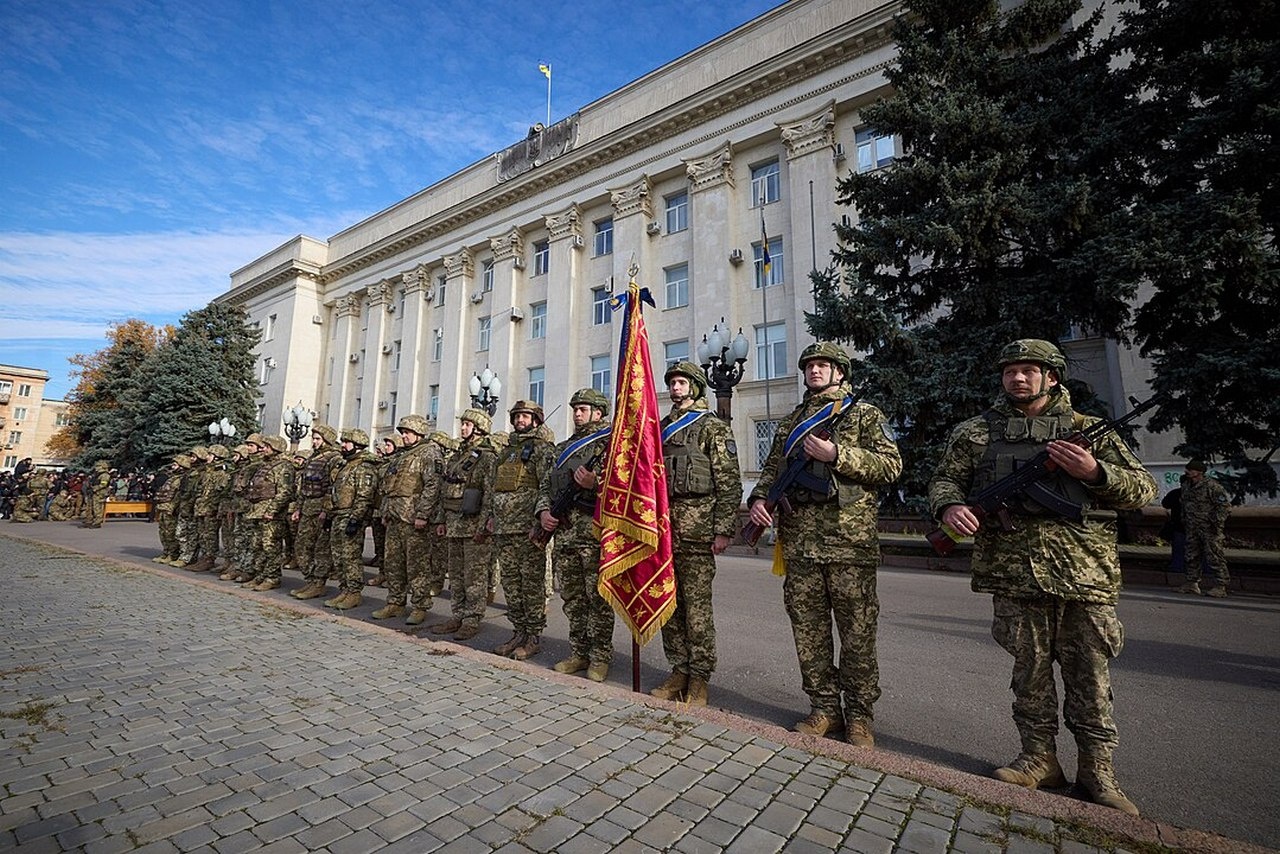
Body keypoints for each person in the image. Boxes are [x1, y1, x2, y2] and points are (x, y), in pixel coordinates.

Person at [928, 338, 1156, 816]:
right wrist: (950, 506)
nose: (1018, 377)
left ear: (1052, 377)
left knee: (1090, 676)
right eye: (1010, 370)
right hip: (1013, 572)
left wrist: (1096, 472)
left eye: (1029, 370)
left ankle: (1098, 770)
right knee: (1029, 673)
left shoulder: (1088, 430)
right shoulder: (976, 432)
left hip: (1082, 574)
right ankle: (1038, 759)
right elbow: (945, 480)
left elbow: (1141, 489)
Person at [748, 342, 901, 747]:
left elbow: (891, 465)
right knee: (809, 631)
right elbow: (771, 470)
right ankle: (824, 709)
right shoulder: (792, 421)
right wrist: (759, 501)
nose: (815, 371)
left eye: (824, 365)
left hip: (849, 544)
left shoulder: (863, 414)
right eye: (810, 365)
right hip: (800, 545)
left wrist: (838, 454)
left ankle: (860, 717)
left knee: (857, 633)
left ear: (840, 372)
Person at [650, 362, 742, 706]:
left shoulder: (711, 428)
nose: (676, 387)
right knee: (668, 603)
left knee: (698, 609)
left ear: (696, 387)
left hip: (698, 531)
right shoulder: (660, 429)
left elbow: (729, 482)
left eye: (682, 382)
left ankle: (700, 677)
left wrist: (722, 529)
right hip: (663, 531)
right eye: (672, 382)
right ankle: (679, 669)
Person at [536, 388, 615, 682]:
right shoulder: (562, 448)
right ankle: (579, 651)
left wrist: (598, 482)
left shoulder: (609, 443)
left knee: (598, 599)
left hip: (595, 535)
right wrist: (544, 512)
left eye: (583, 409)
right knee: (572, 598)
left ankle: (600, 657)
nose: (577, 413)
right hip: (566, 536)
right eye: (575, 409)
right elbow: (545, 485)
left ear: (598, 412)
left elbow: (628, 485)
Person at [485, 401, 555, 660]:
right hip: (505, 528)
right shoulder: (505, 452)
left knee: (532, 585)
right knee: (512, 585)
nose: (520, 420)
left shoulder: (541, 449)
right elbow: (495, 488)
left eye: (525, 416)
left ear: (536, 420)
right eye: (517, 416)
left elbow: (547, 486)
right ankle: (518, 632)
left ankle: (533, 636)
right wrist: (491, 517)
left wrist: (539, 522)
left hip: (527, 528)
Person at [429, 409, 498, 640]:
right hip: (453, 524)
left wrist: (483, 527)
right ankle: (457, 615)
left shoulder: (487, 457)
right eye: (463, 424)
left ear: (479, 428)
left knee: (474, 576)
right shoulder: (456, 457)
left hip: (473, 525)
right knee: (456, 575)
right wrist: (441, 519)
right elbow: (444, 489)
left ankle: (472, 619)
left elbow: (489, 494)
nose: (463, 428)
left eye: (468, 425)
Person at [374, 415, 443, 625]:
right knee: (393, 562)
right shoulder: (401, 456)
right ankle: (395, 602)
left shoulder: (429, 452)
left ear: (419, 433)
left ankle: (420, 605)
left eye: (408, 432)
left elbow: (432, 486)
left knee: (417, 565)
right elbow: (389, 487)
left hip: (413, 519)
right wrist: (386, 511)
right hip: (395, 517)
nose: (404, 436)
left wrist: (422, 515)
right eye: (403, 432)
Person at [324, 429, 379, 610]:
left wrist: (356, 519)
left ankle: (354, 592)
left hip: (351, 516)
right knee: (338, 556)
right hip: (339, 515)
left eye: (346, 442)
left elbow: (365, 496)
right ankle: (345, 589)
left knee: (350, 557)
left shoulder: (364, 466)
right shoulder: (346, 465)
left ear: (357, 445)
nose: (343, 445)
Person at [290, 425, 345, 600]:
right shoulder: (313, 458)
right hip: (307, 507)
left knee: (321, 549)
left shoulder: (334, 458)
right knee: (302, 546)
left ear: (327, 440)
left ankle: (319, 583)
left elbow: (333, 487)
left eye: (317, 439)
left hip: (320, 509)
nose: (314, 442)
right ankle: (311, 580)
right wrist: (298, 508)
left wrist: (326, 510)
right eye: (313, 438)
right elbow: (303, 487)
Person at [242, 436, 295, 591]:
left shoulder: (284, 467)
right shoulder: (265, 465)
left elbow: (285, 492)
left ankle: (272, 577)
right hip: (257, 512)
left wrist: (272, 511)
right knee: (257, 545)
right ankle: (260, 575)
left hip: (272, 515)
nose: (263, 449)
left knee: (270, 547)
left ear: (275, 447)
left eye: (266, 446)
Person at [1179, 460, 1231, 597]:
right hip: (1192, 527)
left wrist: (1217, 523)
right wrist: (1184, 519)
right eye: (1187, 469)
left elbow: (1223, 506)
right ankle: (1192, 583)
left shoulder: (1212, 487)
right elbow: (1184, 505)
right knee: (1191, 555)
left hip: (1209, 528)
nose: (1187, 471)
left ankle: (1221, 585)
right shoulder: (1186, 486)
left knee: (1214, 556)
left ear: (1199, 472)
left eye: (1190, 469)